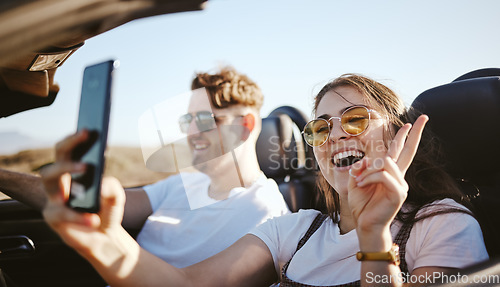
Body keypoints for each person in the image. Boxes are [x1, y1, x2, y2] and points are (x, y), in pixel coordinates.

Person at [40, 73, 488, 286]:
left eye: (354, 120)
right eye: (320, 127)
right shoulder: (292, 229)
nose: (333, 135)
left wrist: (373, 238)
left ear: (396, 133)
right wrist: (99, 239)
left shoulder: (443, 227)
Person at [0, 66, 290, 267]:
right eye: (187, 121)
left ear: (246, 126)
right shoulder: (180, 186)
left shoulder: (266, 215)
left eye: (204, 120)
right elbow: (86, 201)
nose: (191, 133)